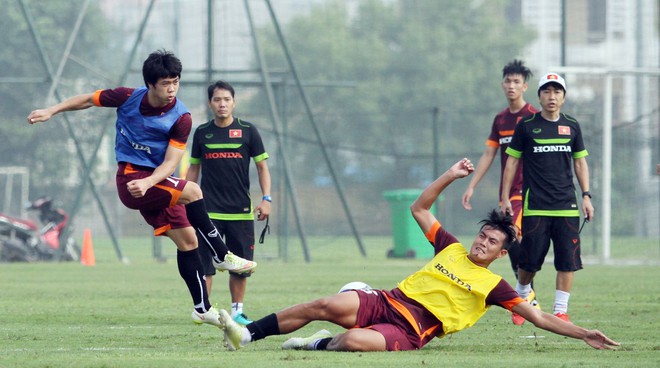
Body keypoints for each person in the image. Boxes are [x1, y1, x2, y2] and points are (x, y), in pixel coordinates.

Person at [216, 159, 618, 352]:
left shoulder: (494, 286)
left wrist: (585, 333)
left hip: (414, 329)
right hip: (388, 300)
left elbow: (540, 316)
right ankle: (247, 333)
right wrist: (449, 175)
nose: (482, 243)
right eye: (482, 235)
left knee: (354, 342)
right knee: (321, 302)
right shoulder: (452, 247)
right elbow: (419, 209)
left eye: (492, 242)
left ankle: (314, 345)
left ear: (500, 254)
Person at [26, 49, 256, 327]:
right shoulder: (126, 97)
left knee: (189, 242)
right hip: (131, 179)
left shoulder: (181, 117)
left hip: (153, 181)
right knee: (194, 192)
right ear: (150, 84)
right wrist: (51, 110)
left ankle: (202, 308)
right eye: (165, 83)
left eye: (176, 81)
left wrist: (149, 182)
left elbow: (171, 163)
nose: (172, 89)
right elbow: (87, 99)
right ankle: (221, 254)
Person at [500, 72, 594, 324]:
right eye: (547, 92)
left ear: (563, 96)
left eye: (557, 92)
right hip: (536, 206)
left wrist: (586, 195)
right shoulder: (527, 125)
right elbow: (512, 162)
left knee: (567, 260)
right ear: (539, 95)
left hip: (566, 206)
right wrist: (506, 196)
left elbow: (580, 163)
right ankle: (519, 301)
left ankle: (560, 311)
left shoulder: (572, 125)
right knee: (529, 262)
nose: (552, 97)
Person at [186, 80, 271, 325]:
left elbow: (262, 167)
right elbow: (194, 168)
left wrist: (266, 199)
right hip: (207, 212)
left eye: (226, 99)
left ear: (234, 102)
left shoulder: (248, 131)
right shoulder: (202, 132)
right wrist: (182, 197)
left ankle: (237, 312)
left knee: (240, 266)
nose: (222, 104)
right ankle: (204, 310)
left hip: (240, 213)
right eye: (217, 99)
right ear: (210, 103)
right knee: (204, 265)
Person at [461, 60, 540, 325]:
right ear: (502, 84)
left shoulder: (534, 117)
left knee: (513, 239)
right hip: (507, 193)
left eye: (517, 81)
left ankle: (524, 296)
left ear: (525, 86)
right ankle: (525, 296)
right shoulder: (501, 119)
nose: (511, 86)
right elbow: (488, 154)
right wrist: (471, 185)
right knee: (512, 241)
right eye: (508, 81)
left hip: (529, 192)